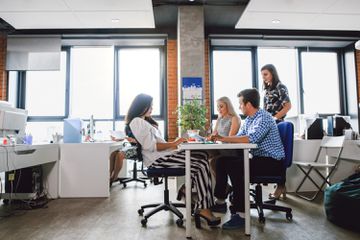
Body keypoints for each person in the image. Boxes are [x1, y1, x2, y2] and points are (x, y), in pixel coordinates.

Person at [128, 93, 220, 228]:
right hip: (157, 161)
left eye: (152, 106)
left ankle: (189, 190)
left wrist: (176, 144)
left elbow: (159, 144)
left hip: (164, 156)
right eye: (150, 106)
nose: (152, 108)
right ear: (141, 105)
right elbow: (151, 146)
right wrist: (175, 143)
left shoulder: (147, 122)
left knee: (203, 154)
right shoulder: (137, 121)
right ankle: (204, 208)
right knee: (200, 164)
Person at [211, 88, 285, 229]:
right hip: (259, 159)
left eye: (240, 103)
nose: (239, 106)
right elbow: (238, 137)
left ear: (248, 104)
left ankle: (241, 215)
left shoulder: (264, 118)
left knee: (236, 166)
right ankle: (220, 202)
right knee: (221, 161)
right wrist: (222, 140)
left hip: (272, 162)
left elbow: (251, 139)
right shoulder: (249, 120)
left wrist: (224, 138)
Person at [261, 64, 291, 199]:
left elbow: (288, 106)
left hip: (278, 125)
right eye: (262, 74)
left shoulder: (280, 86)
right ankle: (275, 182)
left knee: (280, 156)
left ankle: (281, 185)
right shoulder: (267, 90)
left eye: (266, 74)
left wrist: (273, 119)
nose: (263, 77)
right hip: (268, 126)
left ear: (273, 73)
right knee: (270, 155)